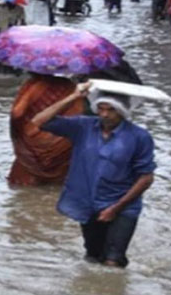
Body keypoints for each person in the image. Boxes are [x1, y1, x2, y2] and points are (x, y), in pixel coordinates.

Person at [31, 82, 156, 267]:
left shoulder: (139, 137)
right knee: (93, 256)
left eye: (111, 110)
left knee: (113, 261)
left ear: (122, 112)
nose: (104, 115)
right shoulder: (83, 126)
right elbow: (38, 121)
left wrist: (115, 208)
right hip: (88, 203)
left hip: (123, 205)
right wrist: (74, 96)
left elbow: (146, 178)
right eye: (101, 108)